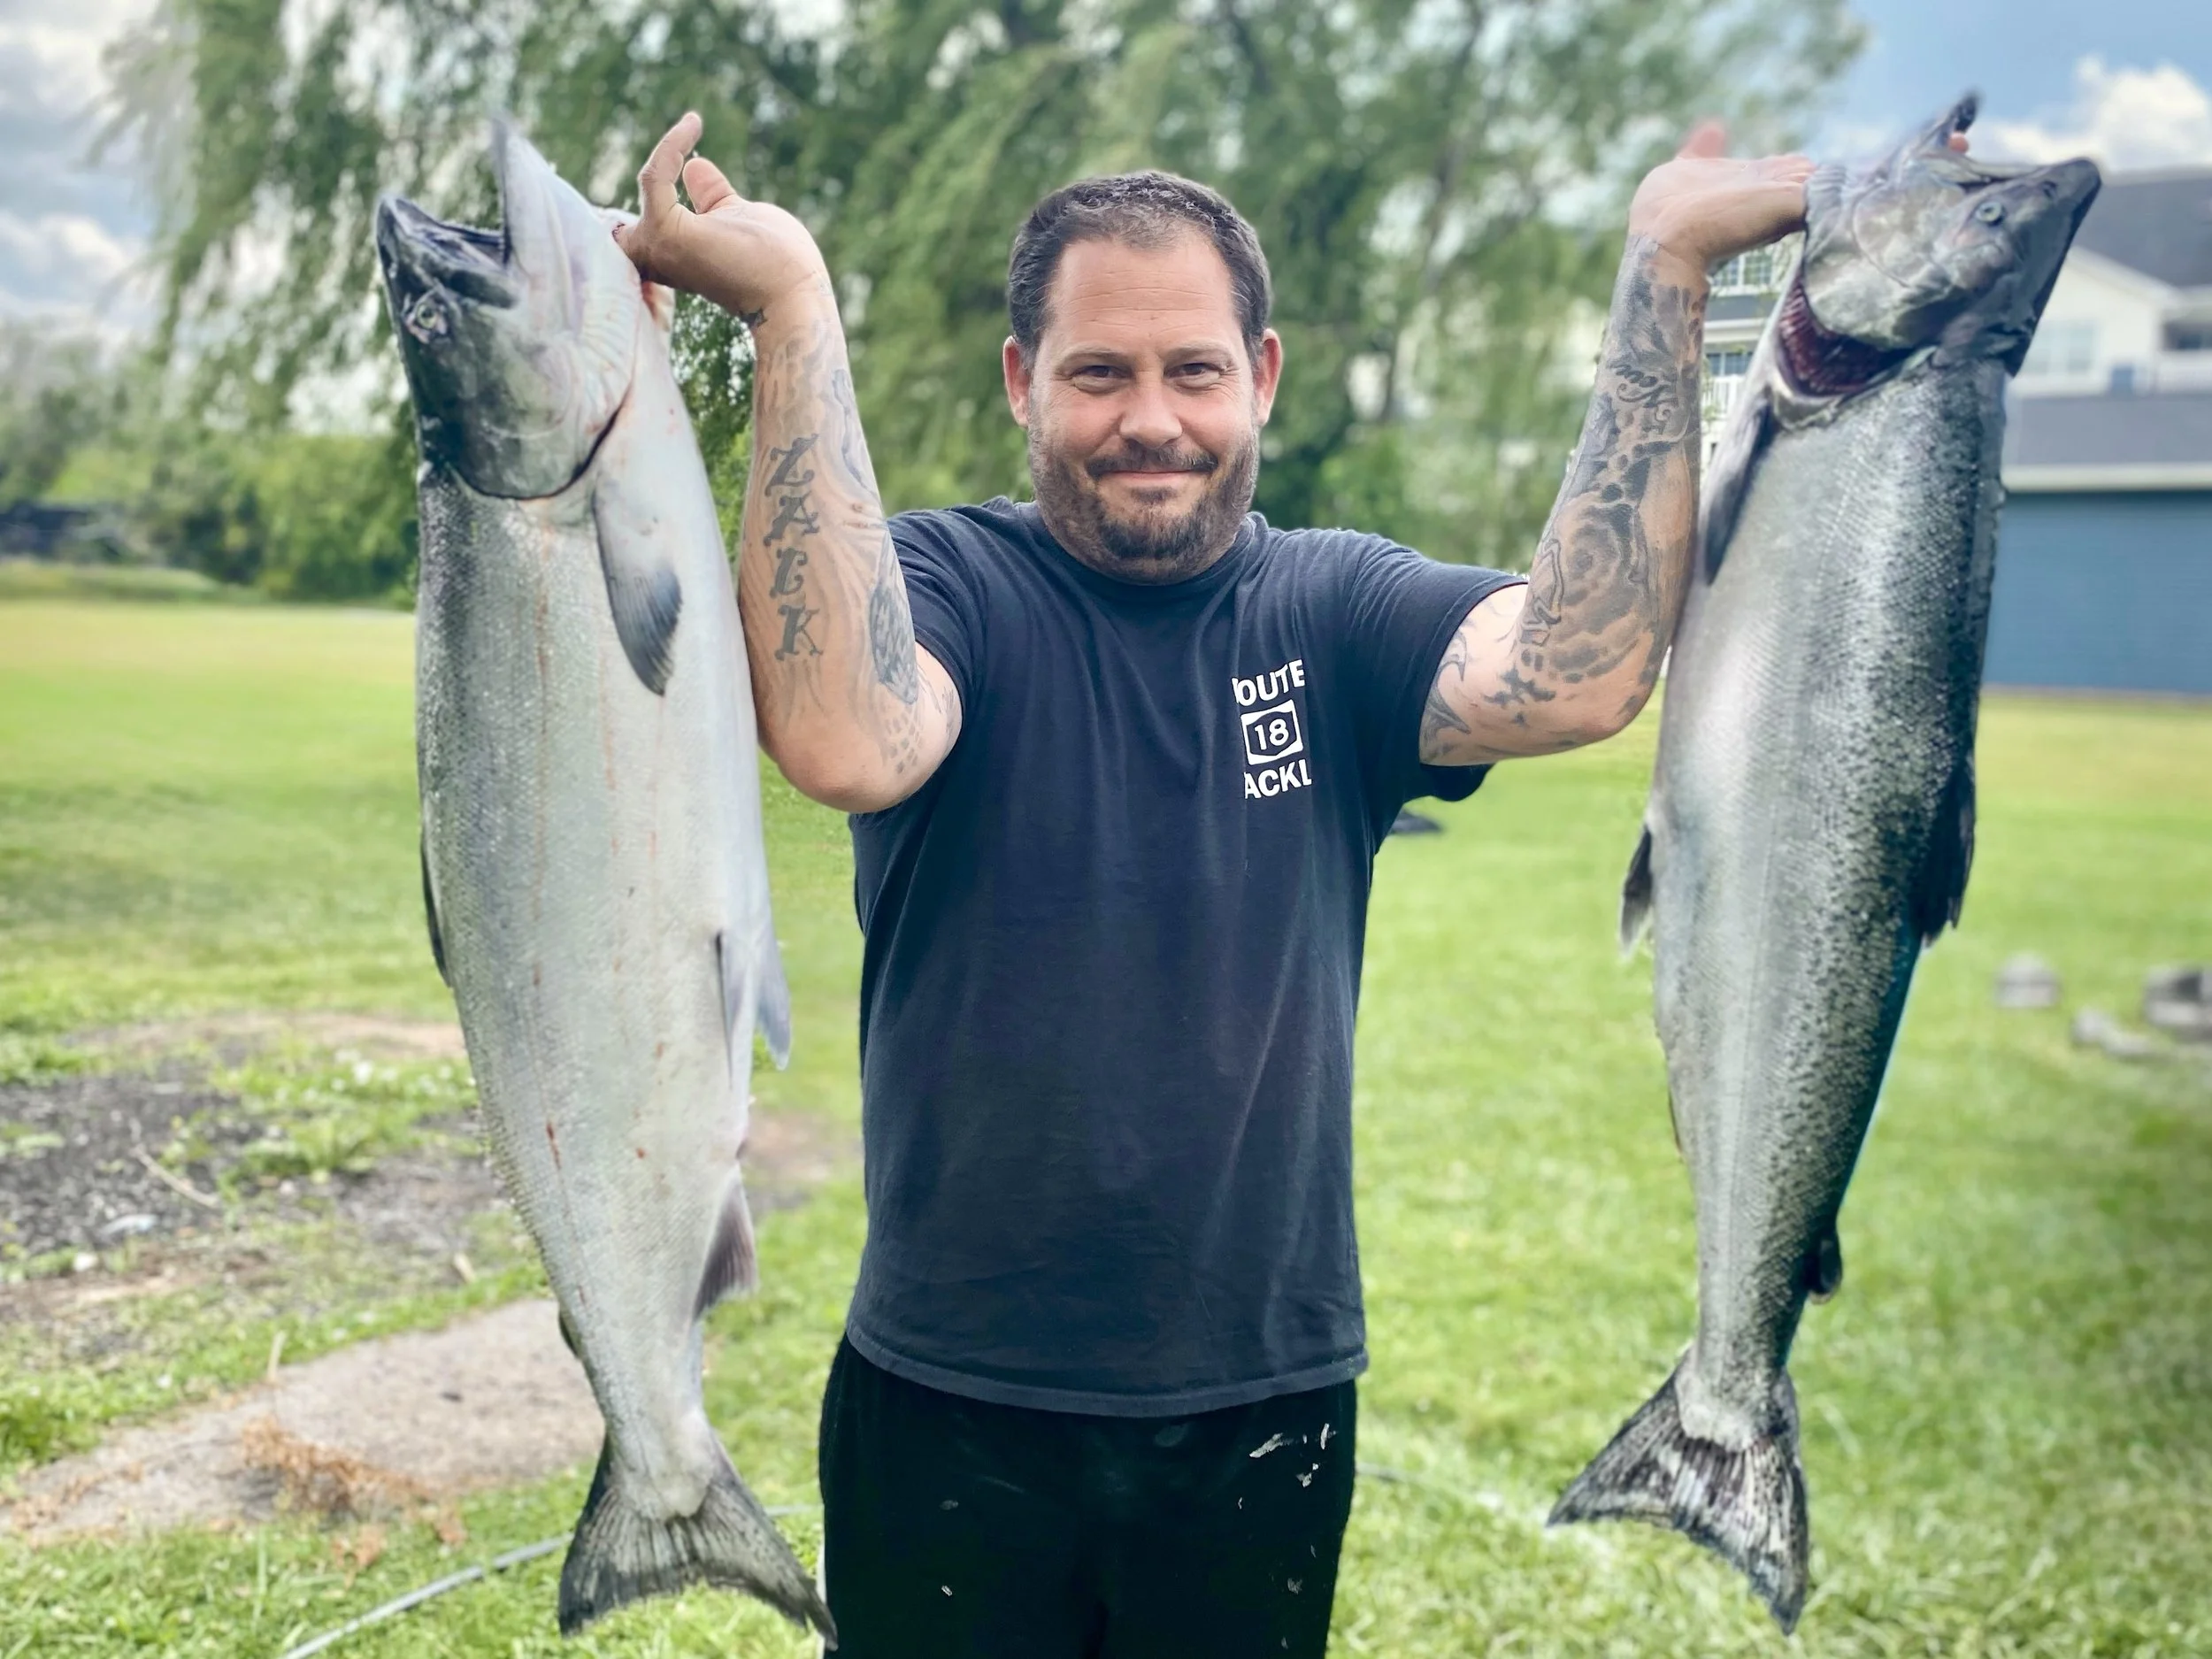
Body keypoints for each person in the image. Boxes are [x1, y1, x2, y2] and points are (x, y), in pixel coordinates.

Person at [613, 112, 1813, 1658]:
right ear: (1020, 384)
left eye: (1192, 370)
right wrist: (791, 313)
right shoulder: (952, 586)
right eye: (1098, 372)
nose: (1150, 419)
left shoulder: (1336, 605)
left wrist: (1667, 269)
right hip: (951, 1392)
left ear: (1262, 377)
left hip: (1264, 1400)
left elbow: (1574, 674)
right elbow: (847, 734)